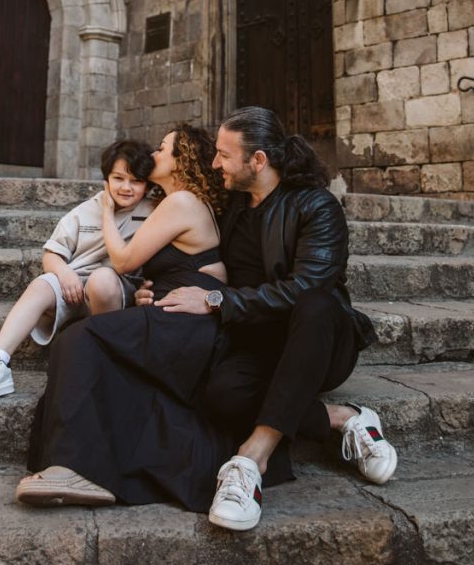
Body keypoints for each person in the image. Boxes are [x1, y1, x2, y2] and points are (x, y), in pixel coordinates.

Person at [153, 106, 397, 531]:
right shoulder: (230, 204)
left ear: (259, 161)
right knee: (223, 396)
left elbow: (305, 288)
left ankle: (251, 460)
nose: (215, 164)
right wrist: (154, 287)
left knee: (317, 302)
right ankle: (343, 418)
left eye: (224, 155)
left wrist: (215, 300)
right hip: (259, 342)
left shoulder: (316, 206)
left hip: (320, 341)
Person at [15, 125, 231, 510]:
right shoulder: (178, 201)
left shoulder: (181, 201)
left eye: (163, 149)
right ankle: (80, 465)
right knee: (84, 339)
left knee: (80, 338)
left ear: (181, 161)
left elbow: (123, 260)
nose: (155, 155)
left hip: (191, 324)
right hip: (176, 312)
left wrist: (107, 211)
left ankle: (75, 466)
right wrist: (151, 290)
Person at [0, 139, 155, 401]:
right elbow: (52, 254)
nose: (126, 187)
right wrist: (64, 273)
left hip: (114, 292)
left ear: (148, 184)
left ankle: (105, 358)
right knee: (42, 283)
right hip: (74, 289)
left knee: (101, 279)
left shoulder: (152, 212)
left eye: (136, 181)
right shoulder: (84, 212)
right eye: (118, 178)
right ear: (106, 179)